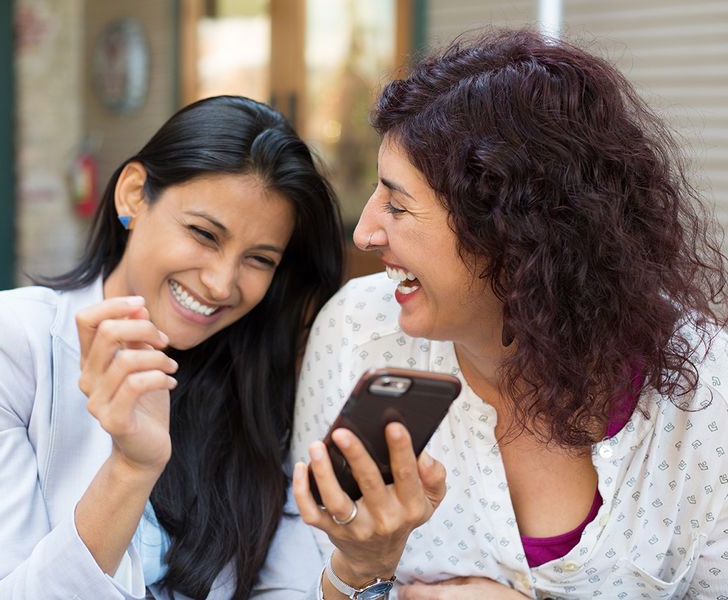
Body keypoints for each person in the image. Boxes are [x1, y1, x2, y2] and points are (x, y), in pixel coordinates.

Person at [290, 29, 728, 599]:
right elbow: (292, 583)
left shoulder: (707, 392)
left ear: (516, 237)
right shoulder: (355, 332)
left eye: (398, 205)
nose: (365, 232)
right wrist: (361, 571)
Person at [0, 95, 344, 599]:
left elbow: (289, 589)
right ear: (132, 195)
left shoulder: (257, 386)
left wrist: (362, 568)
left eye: (258, 260)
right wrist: (130, 470)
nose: (220, 283)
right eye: (204, 234)